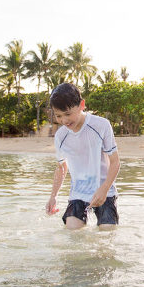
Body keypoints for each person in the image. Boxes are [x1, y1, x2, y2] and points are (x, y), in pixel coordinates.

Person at [46, 83, 121, 230]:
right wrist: (53, 196)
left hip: (105, 192)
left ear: (81, 105)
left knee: (107, 233)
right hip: (78, 194)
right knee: (72, 233)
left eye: (68, 114)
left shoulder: (101, 125)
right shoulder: (61, 136)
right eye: (58, 116)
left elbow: (115, 162)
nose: (64, 121)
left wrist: (104, 189)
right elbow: (61, 167)